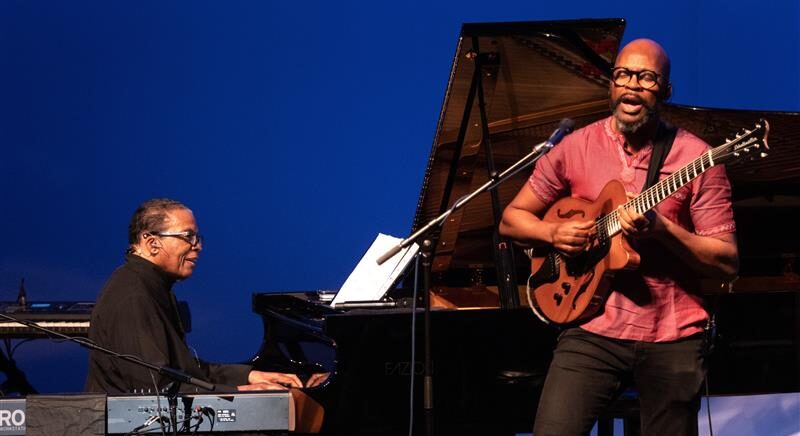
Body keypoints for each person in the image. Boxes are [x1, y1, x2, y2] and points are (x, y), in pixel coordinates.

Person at [499, 39, 738, 435]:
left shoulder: (698, 159)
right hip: (591, 326)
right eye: (623, 75)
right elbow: (512, 219)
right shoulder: (575, 147)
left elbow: (727, 260)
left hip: (672, 333)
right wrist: (553, 232)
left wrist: (663, 230)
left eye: (646, 78)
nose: (632, 86)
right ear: (611, 85)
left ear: (666, 90)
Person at [85, 198, 327, 393]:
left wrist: (250, 375)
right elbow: (155, 389)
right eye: (187, 236)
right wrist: (238, 392)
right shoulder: (133, 296)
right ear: (151, 243)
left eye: (197, 238)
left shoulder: (151, 286)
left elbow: (182, 370)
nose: (197, 246)